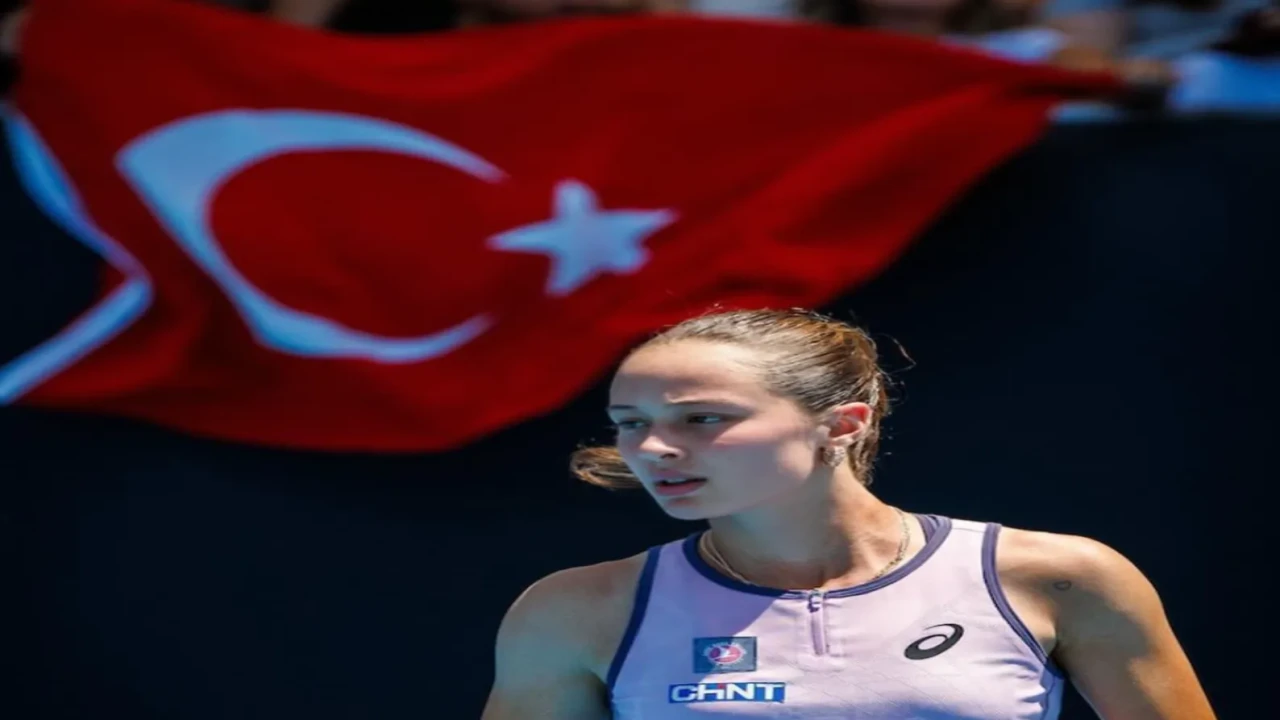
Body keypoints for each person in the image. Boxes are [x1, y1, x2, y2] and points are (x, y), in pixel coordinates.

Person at [481, 307, 1216, 719]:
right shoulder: (574, 610)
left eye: (702, 418)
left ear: (841, 424)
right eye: (631, 423)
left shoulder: (1062, 577)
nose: (653, 448)